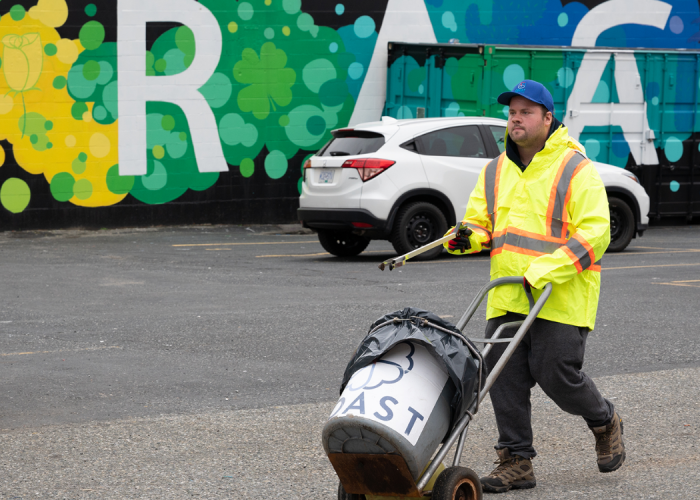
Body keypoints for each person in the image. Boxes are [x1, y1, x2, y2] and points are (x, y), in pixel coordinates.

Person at [444, 80, 625, 493]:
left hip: (560, 295)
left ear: (548, 118)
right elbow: (481, 225)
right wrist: (465, 237)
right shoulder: (494, 170)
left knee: (557, 375)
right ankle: (516, 460)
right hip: (507, 293)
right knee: (500, 377)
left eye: (526, 111)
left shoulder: (575, 167)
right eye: (512, 111)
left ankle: (604, 419)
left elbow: (596, 233)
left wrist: (546, 269)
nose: (515, 118)